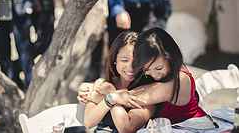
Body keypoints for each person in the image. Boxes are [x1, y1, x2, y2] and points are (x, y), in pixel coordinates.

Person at [78, 27, 208, 126]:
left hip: (195, 127)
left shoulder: (181, 79)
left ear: (171, 57)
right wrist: (95, 87)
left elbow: (129, 97)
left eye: (158, 68)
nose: (154, 74)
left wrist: (102, 93)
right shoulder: (153, 76)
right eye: (146, 69)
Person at [79, 31, 154, 133]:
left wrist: (111, 96)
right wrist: (113, 97)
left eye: (137, 61)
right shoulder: (103, 83)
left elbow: (126, 129)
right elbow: (88, 122)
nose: (131, 67)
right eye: (124, 60)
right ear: (115, 60)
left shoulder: (149, 91)